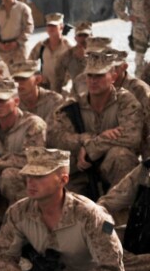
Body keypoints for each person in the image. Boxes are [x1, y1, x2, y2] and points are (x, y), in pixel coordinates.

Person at [47, 53, 143, 193]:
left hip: (113, 169)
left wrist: (92, 148)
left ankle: (121, 211)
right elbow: (55, 137)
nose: (93, 81)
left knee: (120, 155)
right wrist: (85, 139)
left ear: (113, 77)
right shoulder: (73, 106)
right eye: (90, 75)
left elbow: (132, 136)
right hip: (81, 169)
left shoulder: (125, 101)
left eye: (99, 76)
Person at [0, 79, 47, 208]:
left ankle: (25, 214)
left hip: (29, 181)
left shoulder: (33, 124)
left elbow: (32, 160)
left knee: (9, 176)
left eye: (3, 101)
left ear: (16, 101)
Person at [114, 0, 150, 76]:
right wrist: (127, 17)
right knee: (140, 57)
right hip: (140, 27)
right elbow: (118, 5)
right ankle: (140, 83)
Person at [29, 13, 75, 93]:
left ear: (61, 27)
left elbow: (76, 67)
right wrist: (37, 75)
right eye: (49, 26)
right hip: (45, 88)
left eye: (54, 26)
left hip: (63, 89)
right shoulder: (41, 46)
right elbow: (29, 62)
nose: (51, 28)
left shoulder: (69, 47)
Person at [12, 60, 64, 124]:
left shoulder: (54, 100)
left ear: (37, 79)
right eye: (16, 79)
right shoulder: (11, 103)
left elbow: (55, 129)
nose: (18, 83)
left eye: (23, 79)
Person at [54, 22, 93, 95]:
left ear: (92, 36)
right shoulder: (67, 55)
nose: (83, 38)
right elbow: (59, 80)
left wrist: (84, 58)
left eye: (86, 35)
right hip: (78, 94)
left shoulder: (100, 53)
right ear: (75, 38)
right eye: (80, 35)